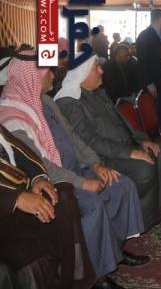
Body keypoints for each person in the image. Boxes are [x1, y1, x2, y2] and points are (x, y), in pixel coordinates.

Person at [0, 54, 147, 288]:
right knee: (92, 206)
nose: (53, 76)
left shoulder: (45, 102)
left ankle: (114, 250)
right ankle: (98, 276)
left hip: (75, 168)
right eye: (48, 71)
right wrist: (82, 183)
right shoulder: (12, 116)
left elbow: (74, 138)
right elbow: (39, 166)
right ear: (33, 76)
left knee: (121, 186)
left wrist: (96, 164)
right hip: (56, 182)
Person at [54, 53, 161, 231]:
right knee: (144, 167)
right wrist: (129, 152)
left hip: (123, 145)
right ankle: (141, 221)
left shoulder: (97, 92)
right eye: (96, 67)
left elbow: (121, 123)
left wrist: (140, 141)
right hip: (104, 157)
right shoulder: (69, 102)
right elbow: (89, 141)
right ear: (82, 72)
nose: (101, 71)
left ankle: (159, 207)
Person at [0, 125, 96, 289]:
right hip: (5, 208)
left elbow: (19, 152)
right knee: (25, 251)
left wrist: (38, 178)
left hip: (20, 191)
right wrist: (15, 199)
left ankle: (78, 280)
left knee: (63, 197)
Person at [136, 8, 161, 131]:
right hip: (153, 82)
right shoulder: (145, 35)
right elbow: (142, 62)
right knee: (155, 115)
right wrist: (149, 84)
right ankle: (157, 137)